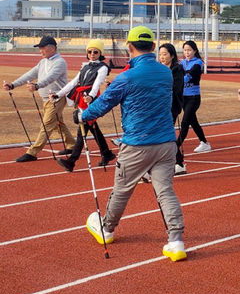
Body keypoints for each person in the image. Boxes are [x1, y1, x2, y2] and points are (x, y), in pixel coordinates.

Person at [80, 26, 187, 261]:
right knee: (165, 191)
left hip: (137, 143)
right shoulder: (165, 73)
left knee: (122, 189)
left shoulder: (126, 77)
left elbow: (103, 104)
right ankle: (176, 241)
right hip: (166, 142)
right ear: (152, 46)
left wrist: (84, 115)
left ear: (129, 47)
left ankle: (107, 228)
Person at [3, 35, 75, 162]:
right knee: (58, 124)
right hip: (46, 100)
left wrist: (37, 86)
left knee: (47, 125)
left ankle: (32, 152)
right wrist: (13, 84)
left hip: (57, 98)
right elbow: (30, 74)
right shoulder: (43, 62)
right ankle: (72, 145)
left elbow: (51, 77)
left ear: (52, 48)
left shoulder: (60, 62)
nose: (40, 51)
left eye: (42, 48)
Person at [53, 40, 115, 172]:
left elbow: (97, 84)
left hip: (91, 101)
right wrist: (58, 95)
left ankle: (71, 161)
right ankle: (107, 153)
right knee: (92, 128)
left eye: (95, 52)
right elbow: (74, 82)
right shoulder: (85, 67)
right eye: (89, 51)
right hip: (81, 100)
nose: (92, 54)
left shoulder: (103, 68)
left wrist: (91, 97)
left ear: (100, 53)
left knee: (83, 129)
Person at [177, 40, 211, 156]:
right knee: (193, 122)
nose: (187, 52)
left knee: (185, 121)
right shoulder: (181, 63)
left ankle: (176, 145)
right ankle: (205, 142)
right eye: (185, 50)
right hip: (183, 97)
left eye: (189, 50)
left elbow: (189, 76)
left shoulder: (198, 63)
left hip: (193, 97)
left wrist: (178, 79)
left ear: (194, 51)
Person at [158, 43, 186, 174]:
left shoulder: (177, 70)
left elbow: (175, 88)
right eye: (160, 54)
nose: (162, 57)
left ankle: (178, 162)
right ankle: (178, 162)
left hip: (171, 107)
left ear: (172, 55)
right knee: (165, 135)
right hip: (159, 106)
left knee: (165, 135)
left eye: (165, 54)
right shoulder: (159, 69)